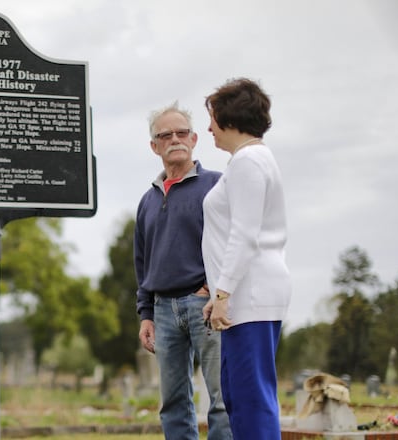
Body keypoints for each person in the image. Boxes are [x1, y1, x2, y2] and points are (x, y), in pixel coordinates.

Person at [134, 102, 232, 440]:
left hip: (204, 305)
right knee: (173, 402)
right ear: (155, 146)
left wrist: (215, 286)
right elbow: (142, 262)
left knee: (221, 400)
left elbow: (235, 240)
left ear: (193, 139)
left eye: (181, 133)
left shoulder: (218, 186)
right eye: (165, 135)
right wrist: (146, 314)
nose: (174, 139)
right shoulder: (147, 200)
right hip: (162, 309)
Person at [202, 77, 291, 439]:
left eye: (212, 118)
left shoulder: (248, 162)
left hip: (250, 296)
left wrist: (223, 295)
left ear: (230, 118)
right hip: (243, 295)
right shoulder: (249, 160)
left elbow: (244, 234)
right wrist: (218, 295)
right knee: (239, 397)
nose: (208, 127)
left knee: (251, 398)